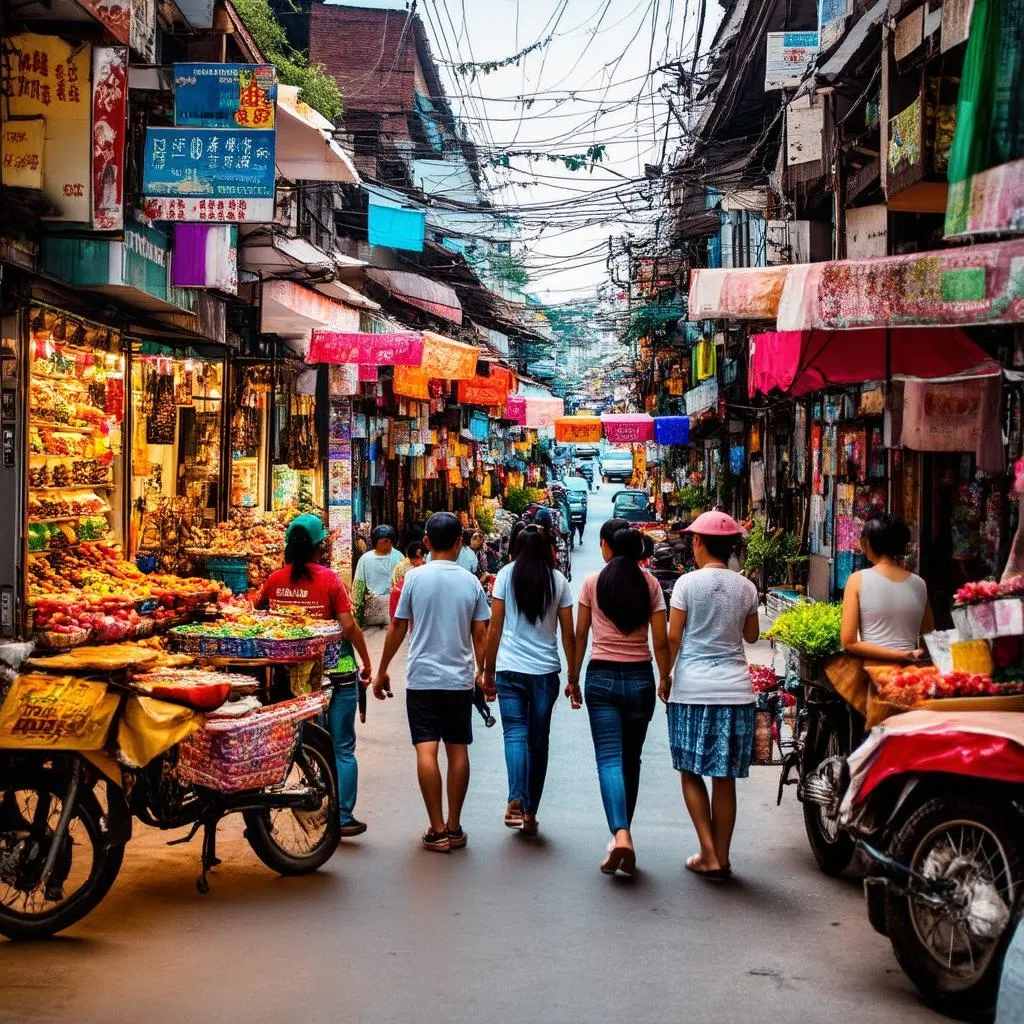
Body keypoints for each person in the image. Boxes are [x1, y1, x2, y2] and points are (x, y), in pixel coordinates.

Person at [373, 512, 491, 852]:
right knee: (457, 749)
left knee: (426, 749)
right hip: (458, 680)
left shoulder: (414, 579)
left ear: (426, 542)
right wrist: (482, 673)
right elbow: (480, 633)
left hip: (422, 678)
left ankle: (436, 830)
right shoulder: (470, 582)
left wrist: (382, 670)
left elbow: (397, 627)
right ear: (459, 543)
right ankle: (454, 826)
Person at [257, 513, 373, 838]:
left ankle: (290, 807)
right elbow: (348, 627)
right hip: (338, 673)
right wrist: (366, 661)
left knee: (301, 745)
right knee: (343, 747)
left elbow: (260, 619)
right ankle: (344, 816)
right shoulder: (330, 579)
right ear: (319, 546)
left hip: (294, 679)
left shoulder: (274, 580)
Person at [663, 510, 760, 880]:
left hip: (693, 689)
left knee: (690, 771)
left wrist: (665, 676)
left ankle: (708, 851)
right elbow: (751, 636)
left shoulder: (687, 584)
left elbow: (674, 638)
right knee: (724, 776)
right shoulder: (746, 587)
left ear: (699, 543)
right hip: (736, 691)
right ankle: (721, 855)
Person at [574, 518, 671, 877]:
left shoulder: (591, 582)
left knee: (610, 761)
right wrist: (665, 678)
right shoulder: (651, 585)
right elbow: (660, 640)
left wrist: (572, 677)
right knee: (632, 759)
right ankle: (622, 833)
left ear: (609, 547)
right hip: (641, 679)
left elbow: (578, 635)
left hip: (601, 678)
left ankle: (621, 834)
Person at [483, 524, 577, 836]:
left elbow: (494, 627)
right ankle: (530, 811)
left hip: (509, 670)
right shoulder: (559, 581)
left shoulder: (506, 575)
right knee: (538, 742)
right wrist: (574, 675)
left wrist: (487, 671)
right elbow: (569, 634)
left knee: (514, 735)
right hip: (545, 673)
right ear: (548, 549)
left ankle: (515, 798)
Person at [841, 513, 933, 661]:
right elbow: (929, 639)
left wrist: (900, 655)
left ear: (868, 544)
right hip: (908, 677)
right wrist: (907, 654)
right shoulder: (919, 584)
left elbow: (848, 642)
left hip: (874, 675)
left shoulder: (857, 580)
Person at [352, 525, 403, 628]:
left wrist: (357, 617)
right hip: (384, 610)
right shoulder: (365, 559)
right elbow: (358, 588)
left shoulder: (398, 557)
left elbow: (358, 589)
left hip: (387, 610)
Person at [389, 540, 426, 620]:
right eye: (418, 558)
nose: (422, 560)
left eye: (423, 556)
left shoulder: (424, 564)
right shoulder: (402, 568)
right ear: (411, 557)